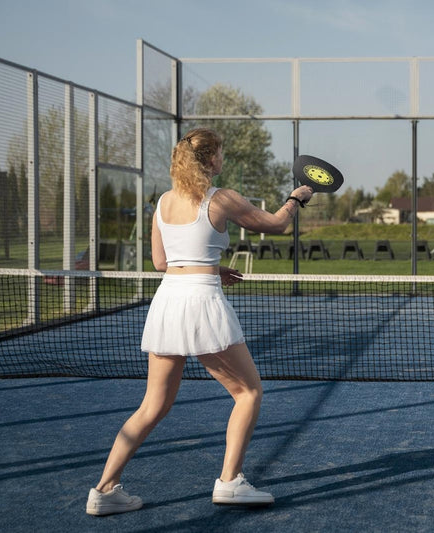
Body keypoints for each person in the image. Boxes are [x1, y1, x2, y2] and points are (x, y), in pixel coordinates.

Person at [86, 128, 313, 516]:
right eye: (220, 154)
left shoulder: (162, 203)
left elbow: (162, 263)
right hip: (200, 302)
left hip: (167, 301)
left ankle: (103, 490)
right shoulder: (220, 198)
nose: (223, 160)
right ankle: (229, 483)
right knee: (248, 393)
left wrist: (211, 265)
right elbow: (276, 225)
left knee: (152, 405)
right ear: (210, 160)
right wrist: (297, 198)